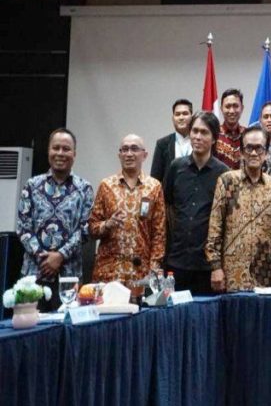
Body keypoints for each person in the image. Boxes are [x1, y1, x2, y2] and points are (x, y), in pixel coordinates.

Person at [17, 128, 94, 311]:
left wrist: (60, 256)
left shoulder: (84, 188)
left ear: (74, 154)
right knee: (29, 326)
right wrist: (44, 259)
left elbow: (85, 229)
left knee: (66, 327)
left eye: (66, 149)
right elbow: (23, 228)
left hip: (69, 278)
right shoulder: (32, 185)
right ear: (48, 151)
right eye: (56, 148)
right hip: (33, 275)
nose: (60, 153)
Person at [206, 125, 271, 292]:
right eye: (249, 148)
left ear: (266, 153)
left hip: (265, 275)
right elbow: (215, 227)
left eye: (259, 148)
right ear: (241, 152)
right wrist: (215, 267)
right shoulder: (227, 181)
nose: (253, 153)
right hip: (231, 275)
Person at [163, 112, 229, 295]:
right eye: (194, 131)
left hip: (207, 265)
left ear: (214, 138)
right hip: (177, 260)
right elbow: (167, 207)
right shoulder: (176, 167)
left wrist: (218, 264)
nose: (198, 137)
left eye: (204, 132)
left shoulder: (224, 173)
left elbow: (226, 220)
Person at [90, 134, 165, 287]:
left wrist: (154, 268)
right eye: (124, 149)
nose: (129, 154)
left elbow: (159, 233)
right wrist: (107, 225)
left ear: (144, 155)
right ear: (119, 155)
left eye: (134, 149)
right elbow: (91, 228)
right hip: (109, 272)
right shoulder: (106, 186)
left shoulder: (154, 187)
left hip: (140, 272)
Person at [150, 98, 193, 184]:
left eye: (185, 114)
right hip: (171, 191)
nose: (181, 117)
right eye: (177, 114)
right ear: (173, 118)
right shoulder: (162, 144)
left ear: (192, 117)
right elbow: (155, 179)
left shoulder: (199, 141)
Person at [214, 88, 245, 170]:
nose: (231, 111)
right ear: (221, 109)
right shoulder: (213, 135)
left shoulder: (248, 135)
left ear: (242, 108)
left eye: (235, 106)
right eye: (227, 107)